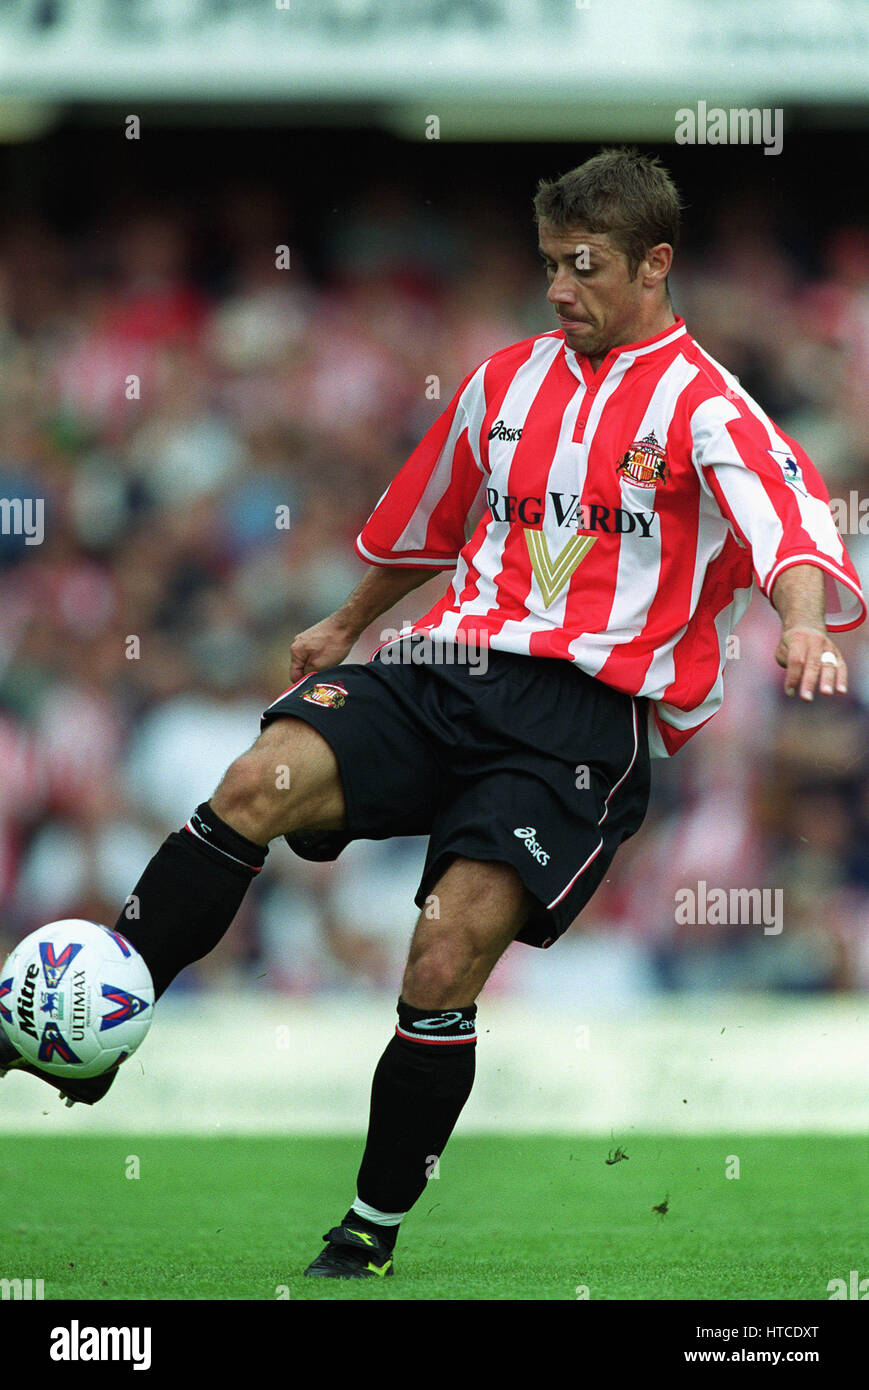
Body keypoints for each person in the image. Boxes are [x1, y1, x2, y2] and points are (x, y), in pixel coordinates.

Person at [1, 148, 864, 1280]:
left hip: (579, 723)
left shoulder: (706, 406)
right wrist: (341, 621)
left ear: (654, 265)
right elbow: (430, 520)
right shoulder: (503, 381)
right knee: (257, 778)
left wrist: (801, 626)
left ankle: (368, 1227)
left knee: (445, 950)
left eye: (583, 265)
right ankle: (104, 1023)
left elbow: (792, 528)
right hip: (445, 665)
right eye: (550, 262)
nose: (557, 287)